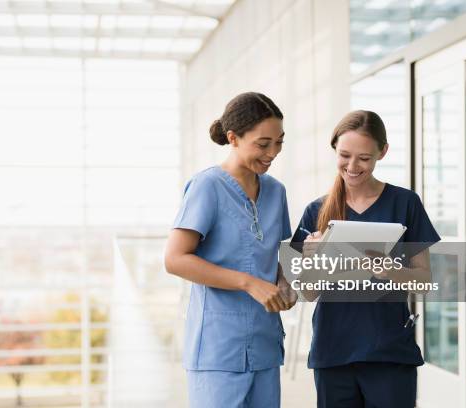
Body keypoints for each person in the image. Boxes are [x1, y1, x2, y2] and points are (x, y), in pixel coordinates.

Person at [291, 110, 440, 408]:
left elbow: (423, 281)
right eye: (345, 155)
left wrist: (391, 270)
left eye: (364, 158)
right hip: (333, 352)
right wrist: (311, 259)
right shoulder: (315, 211)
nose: (352, 166)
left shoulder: (405, 203)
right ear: (334, 148)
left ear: (382, 152)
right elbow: (306, 292)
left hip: (389, 352)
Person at [164, 92, 297, 408]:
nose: (272, 153)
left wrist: (285, 284)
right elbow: (175, 259)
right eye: (263, 144)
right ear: (233, 138)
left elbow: (283, 257)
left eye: (279, 142)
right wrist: (248, 282)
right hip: (218, 348)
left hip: (265, 345)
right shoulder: (207, 186)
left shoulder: (276, 192)